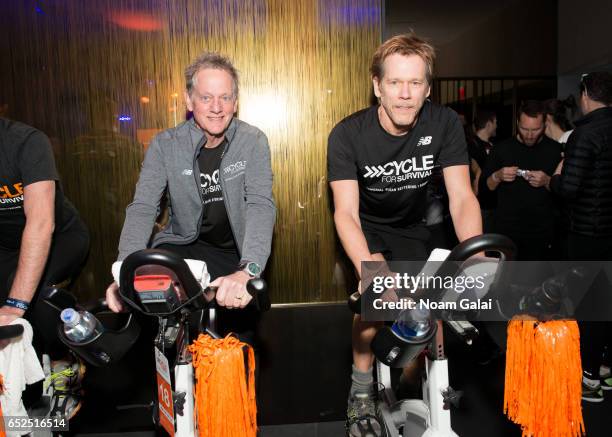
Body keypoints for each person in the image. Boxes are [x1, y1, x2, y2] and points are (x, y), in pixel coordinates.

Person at [327, 33, 482, 437]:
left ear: (428, 89)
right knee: (373, 306)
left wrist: (476, 255)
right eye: (395, 82)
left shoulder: (444, 123)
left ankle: (432, 386)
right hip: (367, 228)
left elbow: (462, 197)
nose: (405, 94)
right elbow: (344, 212)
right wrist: (369, 270)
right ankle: (361, 389)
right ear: (377, 85)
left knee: (433, 305)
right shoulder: (347, 135)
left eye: (415, 83)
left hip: (417, 227)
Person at [106, 53, 276, 344]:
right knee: (165, 329)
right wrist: (124, 269)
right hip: (184, 247)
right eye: (206, 97)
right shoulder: (165, 145)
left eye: (225, 97)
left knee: (240, 342)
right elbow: (144, 207)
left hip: (234, 252)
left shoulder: (252, 140)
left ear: (235, 101)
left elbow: (260, 204)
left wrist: (248, 269)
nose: (217, 108)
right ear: (189, 101)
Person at [0, 117, 90, 419]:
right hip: (4, 247)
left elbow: (40, 224)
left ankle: (66, 361)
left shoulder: (25, 142)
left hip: (59, 236)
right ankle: (20, 395)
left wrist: (14, 305)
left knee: (29, 295)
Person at [550, 71, 612, 402]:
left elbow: (569, 188)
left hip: (588, 231)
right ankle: (603, 367)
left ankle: (587, 376)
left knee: (588, 304)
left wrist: (553, 180)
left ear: (586, 94)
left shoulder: (584, 134)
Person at [482, 100, 562, 261]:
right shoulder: (501, 149)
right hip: (507, 231)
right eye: (525, 129)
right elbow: (484, 191)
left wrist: (547, 181)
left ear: (545, 124)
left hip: (541, 233)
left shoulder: (555, 150)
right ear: (518, 123)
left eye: (536, 129)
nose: (530, 135)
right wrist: (497, 176)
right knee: (503, 282)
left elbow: (565, 193)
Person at [468, 107, 498, 232]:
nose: (497, 126)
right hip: (479, 205)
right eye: (496, 122)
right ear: (489, 124)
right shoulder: (470, 145)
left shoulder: (493, 146)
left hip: (493, 204)